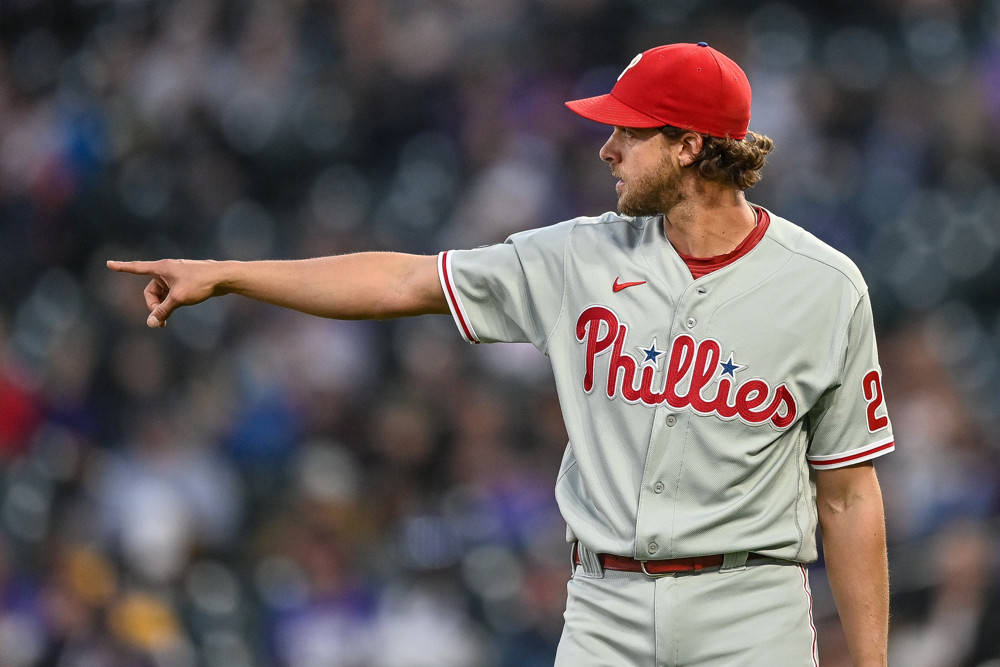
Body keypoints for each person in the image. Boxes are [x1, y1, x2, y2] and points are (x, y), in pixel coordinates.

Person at [109, 42, 892, 666]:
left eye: (628, 130)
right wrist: (233, 274)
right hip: (605, 602)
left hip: (749, 608)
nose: (607, 149)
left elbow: (850, 496)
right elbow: (401, 280)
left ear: (690, 146)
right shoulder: (577, 257)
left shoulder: (822, 287)